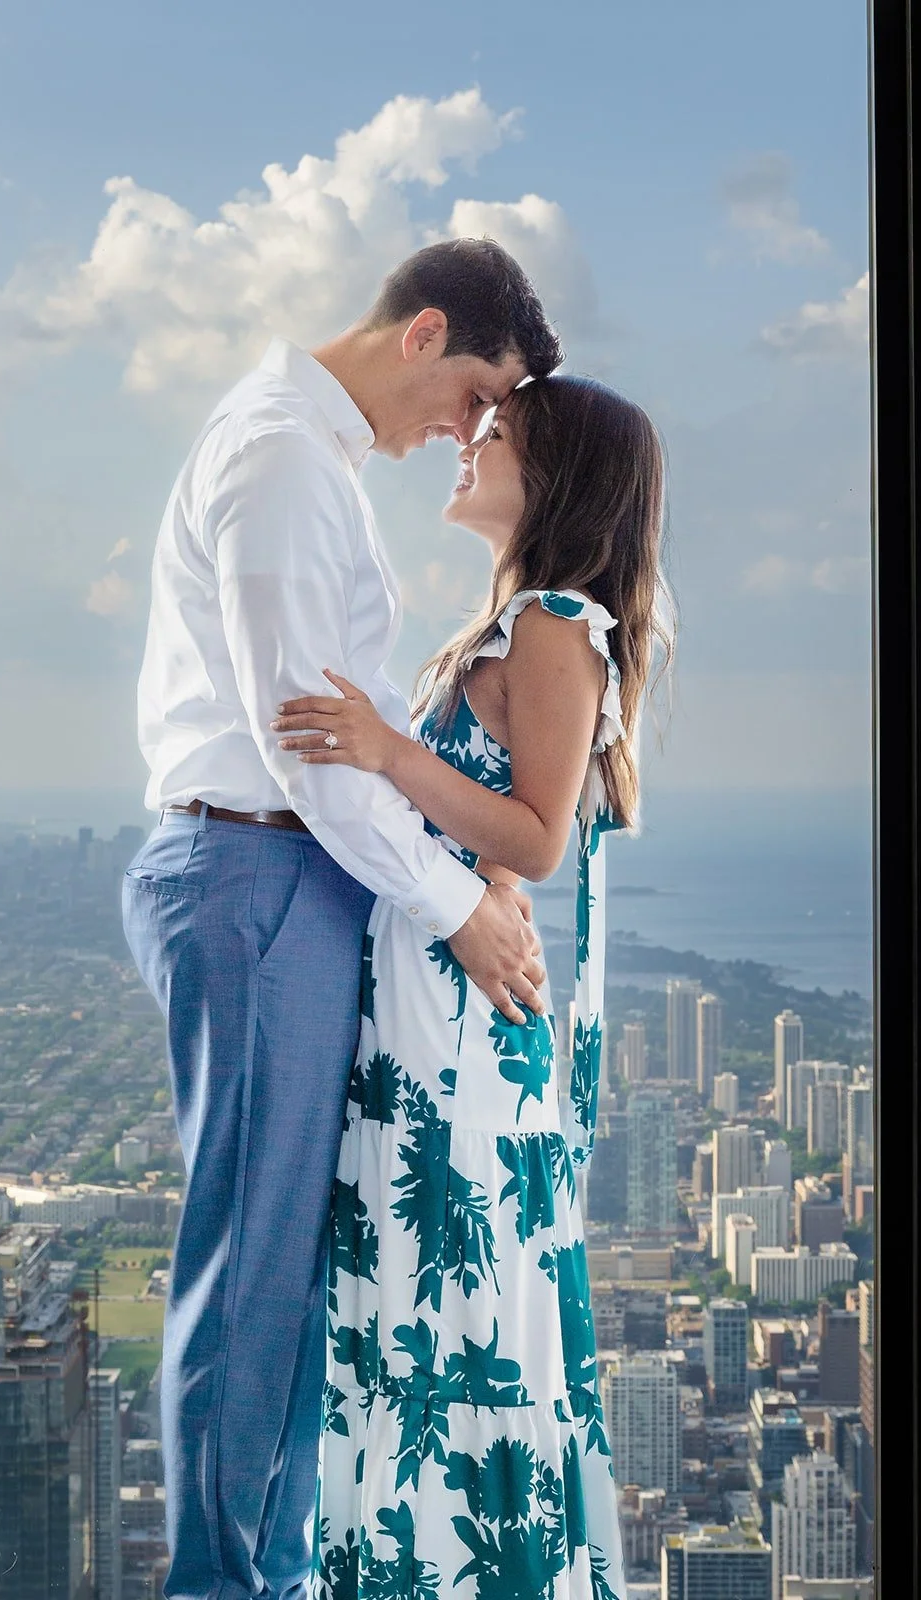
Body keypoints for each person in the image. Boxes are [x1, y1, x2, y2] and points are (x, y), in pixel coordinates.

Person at [121, 239, 563, 1600]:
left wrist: (469, 872)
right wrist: (456, 913)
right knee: (251, 1265)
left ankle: (271, 1570)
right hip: (252, 873)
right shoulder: (279, 460)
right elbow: (310, 750)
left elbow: (349, 745)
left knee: (288, 1264)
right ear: (424, 332)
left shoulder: (312, 462)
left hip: (285, 880)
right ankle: (224, 1584)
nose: (467, 429)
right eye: (475, 392)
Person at [271, 374, 672, 1600]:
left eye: (498, 433)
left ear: (557, 479)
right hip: (425, 1019)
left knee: (449, 1335)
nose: (469, 439)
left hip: (457, 1041)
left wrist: (387, 752)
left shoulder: (556, 621)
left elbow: (539, 835)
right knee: (407, 1326)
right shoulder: (503, 626)